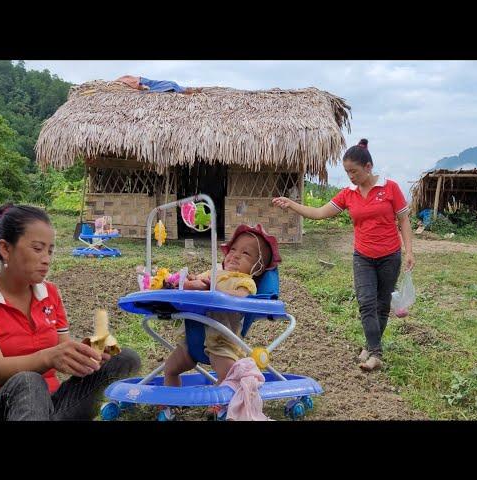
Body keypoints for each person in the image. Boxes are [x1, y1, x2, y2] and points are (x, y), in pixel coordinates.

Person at [0, 203, 141, 421]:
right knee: (29, 382)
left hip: (52, 406)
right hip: (2, 410)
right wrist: (49, 357)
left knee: (124, 358)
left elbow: (61, 350)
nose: (47, 259)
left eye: (50, 250)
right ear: (5, 248)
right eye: (37, 248)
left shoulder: (49, 293)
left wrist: (87, 353)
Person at [273, 139, 415, 372]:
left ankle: (370, 347)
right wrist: (291, 204)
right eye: (347, 172)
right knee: (366, 302)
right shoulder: (348, 194)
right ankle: (376, 354)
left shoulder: (390, 188)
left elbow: (404, 220)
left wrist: (409, 251)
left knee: (381, 305)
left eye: (354, 171)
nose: (351, 176)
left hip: (390, 255)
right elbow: (319, 213)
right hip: (363, 257)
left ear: (368, 167)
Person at [160, 223, 281, 420]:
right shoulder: (213, 273)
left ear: (257, 268)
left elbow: (238, 297)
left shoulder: (246, 281)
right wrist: (182, 281)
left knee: (228, 377)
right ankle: (172, 404)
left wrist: (214, 291)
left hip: (222, 343)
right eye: (233, 249)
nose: (235, 255)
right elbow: (195, 282)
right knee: (171, 368)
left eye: (246, 254)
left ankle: (218, 405)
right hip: (192, 341)